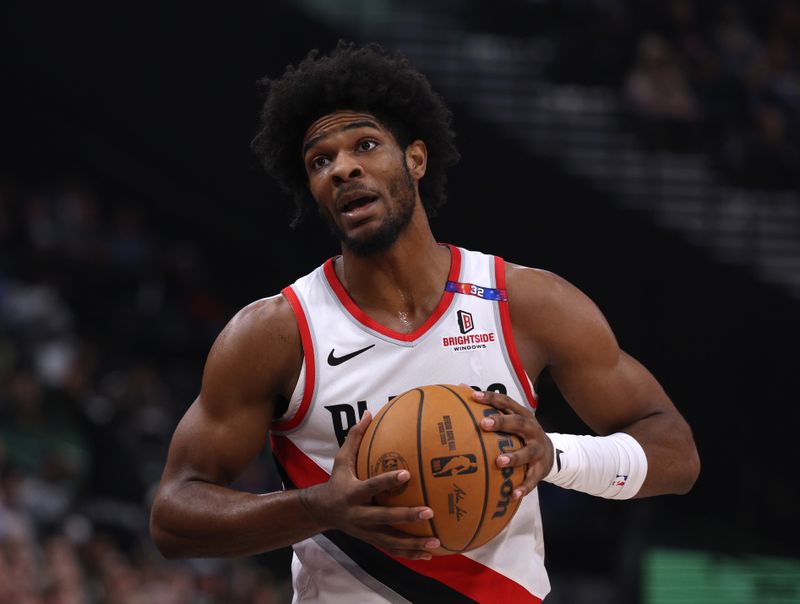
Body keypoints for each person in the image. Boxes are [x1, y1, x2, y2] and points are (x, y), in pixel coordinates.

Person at [149, 42, 700, 603]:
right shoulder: (278, 332)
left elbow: (676, 453)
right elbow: (173, 516)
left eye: (364, 145)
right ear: (312, 190)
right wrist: (316, 507)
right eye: (320, 161)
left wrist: (554, 457)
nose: (343, 168)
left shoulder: (525, 302)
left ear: (415, 158)